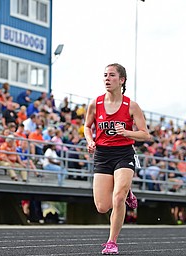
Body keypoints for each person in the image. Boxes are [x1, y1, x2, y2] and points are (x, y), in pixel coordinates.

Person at [84, 63, 151, 254]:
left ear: (121, 80)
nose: (106, 78)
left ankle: (112, 242)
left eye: (111, 75)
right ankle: (127, 191)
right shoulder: (95, 104)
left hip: (124, 153)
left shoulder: (131, 106)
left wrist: (128, 132)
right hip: (103, 155)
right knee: (102, 207)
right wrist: (90, 140)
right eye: (105, 75)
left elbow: (145, 135)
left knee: (118, 197)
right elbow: (87, 126)